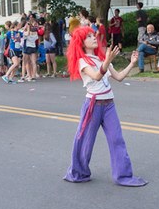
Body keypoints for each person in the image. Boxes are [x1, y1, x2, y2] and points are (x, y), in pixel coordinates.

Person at [63, 26, 147, 187]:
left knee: (117, 139)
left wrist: (132, 63)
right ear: (81, 43)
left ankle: (123, 175)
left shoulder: (100, 58)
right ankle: (79, 172)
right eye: (89, 37)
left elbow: (119, 77)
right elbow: (96, 76)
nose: (94, 38)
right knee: (85, 140)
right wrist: (107, 61)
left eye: (93, 35)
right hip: (93, 105)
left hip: (109, 105)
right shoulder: (83, 61)